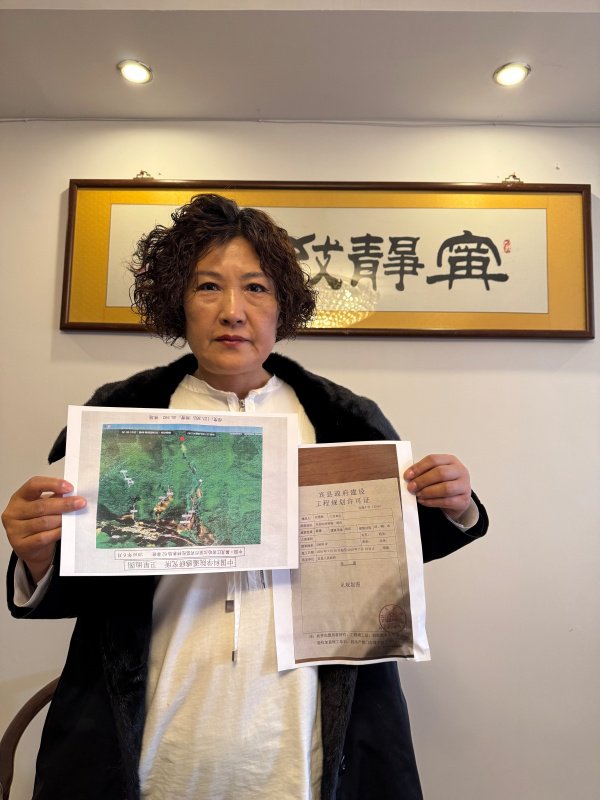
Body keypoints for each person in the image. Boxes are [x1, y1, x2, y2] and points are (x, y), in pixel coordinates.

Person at [2, 193, 488, 800]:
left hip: (302, 742)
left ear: (283, 305)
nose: (232, 311)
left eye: (255, 288)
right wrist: (37, 555)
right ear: (179, 302)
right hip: (157, 740)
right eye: (208, 287)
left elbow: (389, 548)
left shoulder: (343, 419)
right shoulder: (122, 418)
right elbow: (81, 577)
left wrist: (454, 504)